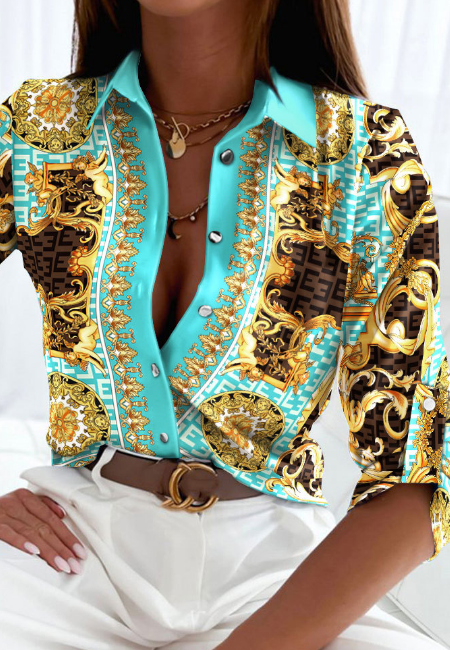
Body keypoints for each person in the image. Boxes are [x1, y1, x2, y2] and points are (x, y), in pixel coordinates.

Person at [0, 0, 448, 648]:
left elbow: (418, 474)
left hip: (278, 579)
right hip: (68, 552)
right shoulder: (41, 129)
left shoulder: (361, 155)